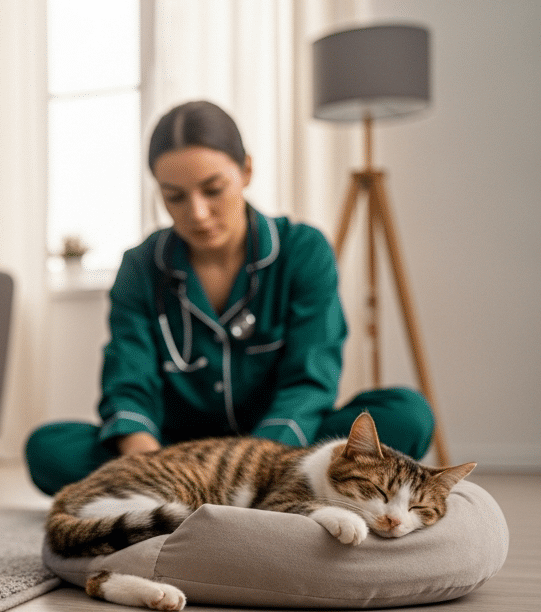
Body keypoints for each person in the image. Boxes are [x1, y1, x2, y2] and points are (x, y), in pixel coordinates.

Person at [25, 100, 434, 495]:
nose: (197, 213)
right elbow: (129, 382)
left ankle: (203, 496)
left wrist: (253, 464)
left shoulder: (303, 249)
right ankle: (191, 492)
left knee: (407, 415)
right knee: (49, 449)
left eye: (213, 189)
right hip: (174, 453)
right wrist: (150, 465)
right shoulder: (139, 266)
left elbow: (310, 380)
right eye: (175, 197)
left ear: (246, 170)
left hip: (281, 447)